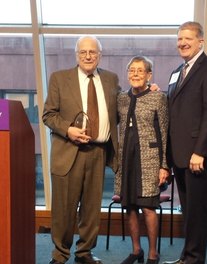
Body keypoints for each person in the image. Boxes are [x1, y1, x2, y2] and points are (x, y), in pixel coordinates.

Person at [42, 35, 121, 264]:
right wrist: (68, 130)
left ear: (100, 55)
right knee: (64, 209)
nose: (88, 56)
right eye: (83, 52)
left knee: (91, 209)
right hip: (68, 151)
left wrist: (148, 88)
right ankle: (60, 254)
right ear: (76, 55)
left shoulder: (111, 79)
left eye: (93, 52)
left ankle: (84, 252)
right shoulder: (59, 78)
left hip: (98, 152)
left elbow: (123, 107)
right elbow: (49, 114)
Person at [163, 21, 207, 264]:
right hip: (180, 154)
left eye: (187, 39)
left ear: (201, 41)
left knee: (198, 213)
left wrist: (200, 151)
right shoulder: (177, 72)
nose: (182, 43)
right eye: (179, 39)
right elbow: (175, 109)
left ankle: (194, 260)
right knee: (189, 212)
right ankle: (187, 258)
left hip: (199, 156)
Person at [114, 56, 170, 264]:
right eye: (132, 70)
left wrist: (165, 165)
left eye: (140, 70)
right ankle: (136, 250)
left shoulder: (158, 98)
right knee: (129, 206)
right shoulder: (121, 98)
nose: (135, 74)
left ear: (149, 75)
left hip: (149, 160)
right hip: (126, 158)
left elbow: (164, 132)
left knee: (148, 207)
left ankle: (153, 253)